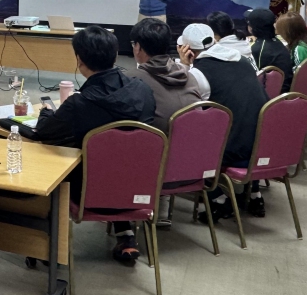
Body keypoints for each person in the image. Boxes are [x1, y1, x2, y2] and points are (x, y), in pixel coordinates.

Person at [28, 26, 155, 264]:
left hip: (89, 191)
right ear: (115, 55)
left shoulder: (79, 104)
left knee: (51, 160)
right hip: (140, 186)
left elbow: (43, 133)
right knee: (118, 156)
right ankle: (125, 233)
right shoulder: (143, 90)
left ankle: (50, 244)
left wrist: (46, 113)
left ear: (79, 60)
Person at [177, 22, 268, 218]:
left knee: (185, 136)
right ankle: (254, 193)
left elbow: (183, 109)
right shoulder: (242, 60)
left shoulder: (198, 74)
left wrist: (184, 66)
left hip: (231, 151)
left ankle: (217, 198)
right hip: (261, 145)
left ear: (188, 50)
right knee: (244, 119)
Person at [129, 18, 203, 133]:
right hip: (195, 139)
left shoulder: (131, 80)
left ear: (138, 47)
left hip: (159, 142)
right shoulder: (190, 76)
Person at [245, 8, 293, 94]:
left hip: (273, 96)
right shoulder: (277, 41)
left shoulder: (258, 49)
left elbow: (254, 79)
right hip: (285, 91)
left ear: (252, 28)